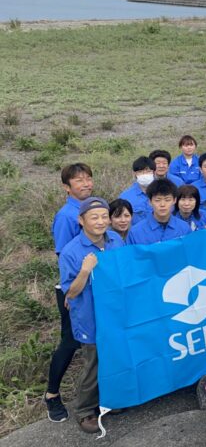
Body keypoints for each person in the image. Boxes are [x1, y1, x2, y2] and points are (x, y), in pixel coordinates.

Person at [58, 197, 124, 433]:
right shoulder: (71, 252)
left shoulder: (115, 239)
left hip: (115, 312)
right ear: (81, 220)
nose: (100, 222)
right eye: (94, 217)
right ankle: (85, 411)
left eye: (104, 217)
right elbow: (71, 292)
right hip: (89, 316)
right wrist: (85, 270)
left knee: (114, 357)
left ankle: (109, 400)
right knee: (93, 363)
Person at [45, 163, 94, 423]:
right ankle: (52, 395)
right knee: (70, 342)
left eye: (88, 179)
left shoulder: (94, 207)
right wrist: (71, 293)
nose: (85, 184)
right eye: (78, 181)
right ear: (67, 187)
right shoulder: (66, 216)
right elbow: (64, 257)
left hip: (96, 288)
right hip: (73, 289)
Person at [126, 179, 191, 245]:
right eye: (157, 200)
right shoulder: (136, 232)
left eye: (167, 200)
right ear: (150, 202)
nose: (162, 204)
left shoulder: (184, 228)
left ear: (174, 200)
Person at [118, 156, 156, 224]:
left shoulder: (163, 193)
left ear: (154, 172)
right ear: (135, 173)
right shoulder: (125, 197)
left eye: (148, 171)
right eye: (140, 172)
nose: (144, 175)